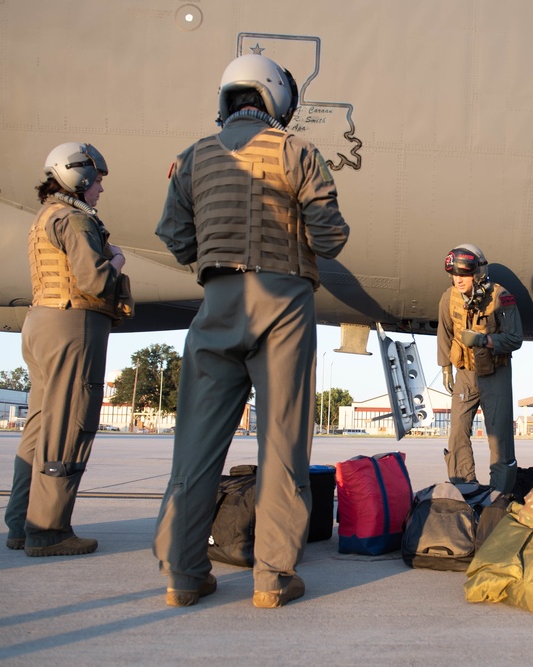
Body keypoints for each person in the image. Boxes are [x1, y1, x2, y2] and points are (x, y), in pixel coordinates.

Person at [153, 54, 349, 608]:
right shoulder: (297, 151)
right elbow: (330, 238)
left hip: (216, 304)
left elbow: (174, 234)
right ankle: (272, 577)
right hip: (282, 304)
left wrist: (210, 258)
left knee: (193, 449)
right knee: (283, 446)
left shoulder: (193, 157)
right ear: (273, 98)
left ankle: (184, 574)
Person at [4, 142, 127, 556]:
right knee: (70, 422)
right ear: (81, 179)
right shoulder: (75, 220)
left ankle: (22, 524)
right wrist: (117, 262)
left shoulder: (45, 217)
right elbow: (93, 281)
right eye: (98, 183)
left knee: (38, 425)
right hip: (73, 324)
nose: (101, 191)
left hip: (41, 323)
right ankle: (49, 530)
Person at [437, 244, 523, 493]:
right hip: (465, 374)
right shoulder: (449, 297)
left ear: (478, 273)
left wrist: (486, 340)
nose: (458, 280)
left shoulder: (500, 297)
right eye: (454, 274)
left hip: (494, 373)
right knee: (457, 431)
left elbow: (515, 339)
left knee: (499, 438)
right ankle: (463, 486)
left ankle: (499, 494)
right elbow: (444, 332)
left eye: (463, 274)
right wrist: (445, 368)